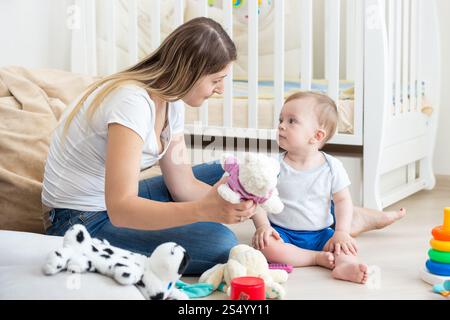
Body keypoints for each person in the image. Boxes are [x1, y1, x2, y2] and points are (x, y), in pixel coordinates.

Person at [42, 17, 404, 276]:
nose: (220, 89)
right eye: (216, 80)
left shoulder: (171, 104)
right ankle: (319, 224)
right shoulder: (131, 104)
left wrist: (229, 204)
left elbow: (180, 182)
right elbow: (120, 208)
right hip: (81, 219)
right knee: (220, 243)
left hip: (110, 202)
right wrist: (206, 210)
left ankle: (322, 217)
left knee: (229, 172)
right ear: (189, 71)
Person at [250, 91, 405, 284]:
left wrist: (341, 232)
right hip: (282, 232)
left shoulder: (332, 167)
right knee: (266, 247)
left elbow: (343, 201)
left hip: (320, 233)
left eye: (291, 121)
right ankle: (314, 258)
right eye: (281, 120)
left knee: (344, 248)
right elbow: (256, 197)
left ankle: (345, 266)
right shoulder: (273, 165)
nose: (281, 125)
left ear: (316, 136)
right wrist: (263, 226)